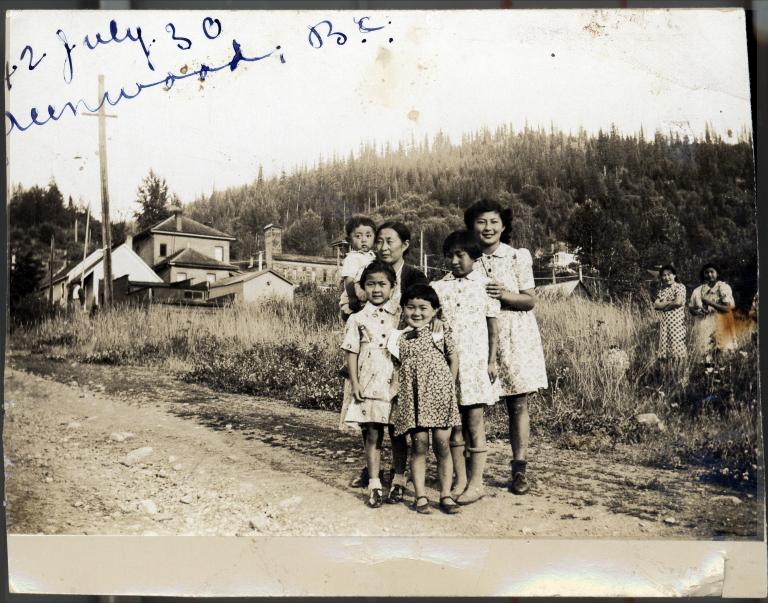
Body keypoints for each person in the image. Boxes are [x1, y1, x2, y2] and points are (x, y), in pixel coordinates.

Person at [464, 199, 548, 495]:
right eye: (481, 222)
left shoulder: (516, 257)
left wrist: (504, 294)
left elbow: (529, 299)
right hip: (477, 335)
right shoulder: (466, 257)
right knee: (473, 404)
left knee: (517, 403)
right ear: (472, 226)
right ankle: (470, 472)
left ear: (503, 226)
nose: (487, 228)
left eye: (493, 222)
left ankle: (519, 469)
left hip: (514, 334)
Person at [348, 221, 427, 504]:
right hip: (369, 363)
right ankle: (373, 475)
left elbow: (424, 316)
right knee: (371, 425)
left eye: (389, 241)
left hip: (397, 366)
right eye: (378, 241)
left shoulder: (414, 276)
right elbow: (352, 309)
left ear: (404, 244)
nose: (382, 247)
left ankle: (399, 476)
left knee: (398, 427)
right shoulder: (366, 276)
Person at [430, 230, 499, 505]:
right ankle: (459, 478)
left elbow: (493, 327)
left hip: (475, 363)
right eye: (451, 256)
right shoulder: (439, 287)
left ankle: (477, 482)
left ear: (474, 256)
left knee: (474, 422)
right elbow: (430, 319)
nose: (455, 261)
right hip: (448, 364)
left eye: (461, 255)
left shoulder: (485, 286)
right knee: (453, 424)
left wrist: (492, 360)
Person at [388, 284, 461, 514]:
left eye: (423, 308)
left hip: (440, 396)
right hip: (413, 399)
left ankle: (446, 494)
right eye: (410, 308)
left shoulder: (441, 331)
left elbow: (453, 357)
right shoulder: (398, 337)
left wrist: (450, 384)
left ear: (435, 310)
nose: (417, 313)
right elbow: (395, 369)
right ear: (403, 310)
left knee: (442, 445)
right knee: (419, 445)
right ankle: (420, 495)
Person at [340, 261, 400, 507]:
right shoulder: (356, 318)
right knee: (372, 433)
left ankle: (399, 479)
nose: (377, 289)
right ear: (363, 287)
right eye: (371, 284)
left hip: (395, 380)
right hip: (368, 379)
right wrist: (354, 383)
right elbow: (351, 352)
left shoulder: (400, 315)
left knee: (398, 432)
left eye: (382, 284)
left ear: (393, 287)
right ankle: (374, 483)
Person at [688, 263, 737, 357]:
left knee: (722, 353)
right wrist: (696, 311)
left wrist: (710, 303)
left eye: (712, 272)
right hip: (704, 326)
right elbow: (691, 308)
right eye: (706, 272)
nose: (709, 275)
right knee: (706, 355)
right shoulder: (697, 291)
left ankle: (722, 371)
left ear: (717, 273)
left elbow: (728, 309)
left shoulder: (723, 288)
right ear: (703, 274)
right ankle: (707, 370)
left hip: (720, 324)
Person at [339, 216, 377, 320]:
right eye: (358, 236)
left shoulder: (373, 256)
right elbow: (349, 279)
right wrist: (352, 298)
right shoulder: (352, 257)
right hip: (356, 301)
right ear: (349, 240)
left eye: (368, 236)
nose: (364, 240)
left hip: (368, 299)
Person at [653, 265, 687, 361]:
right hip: (664, 323)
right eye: (664, 275)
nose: (667, 277)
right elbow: (656, 305)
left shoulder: (680, 287)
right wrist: (669, 302)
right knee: (665, 350)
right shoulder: (662, 290)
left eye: (669, 274)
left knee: (677, 348)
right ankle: (667, 373)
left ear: (675, 275)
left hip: (677, 322)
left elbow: (678, 302)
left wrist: (664, 306)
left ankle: (679, 372)